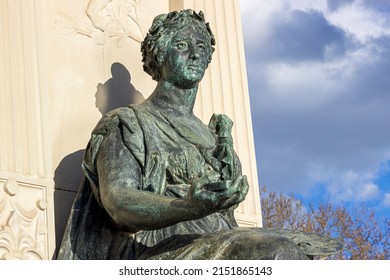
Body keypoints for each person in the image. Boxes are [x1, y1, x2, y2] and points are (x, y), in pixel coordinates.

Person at [58, 9, 341, 260]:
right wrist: (189, 206)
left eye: (202, 47)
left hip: (217, 240)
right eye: (181, 45)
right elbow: (118, 201)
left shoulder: (212, 136)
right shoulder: (129, 123)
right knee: (277, 253)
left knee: (299, 251)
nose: (194, 54)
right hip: (162, 248)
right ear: (160, 54)